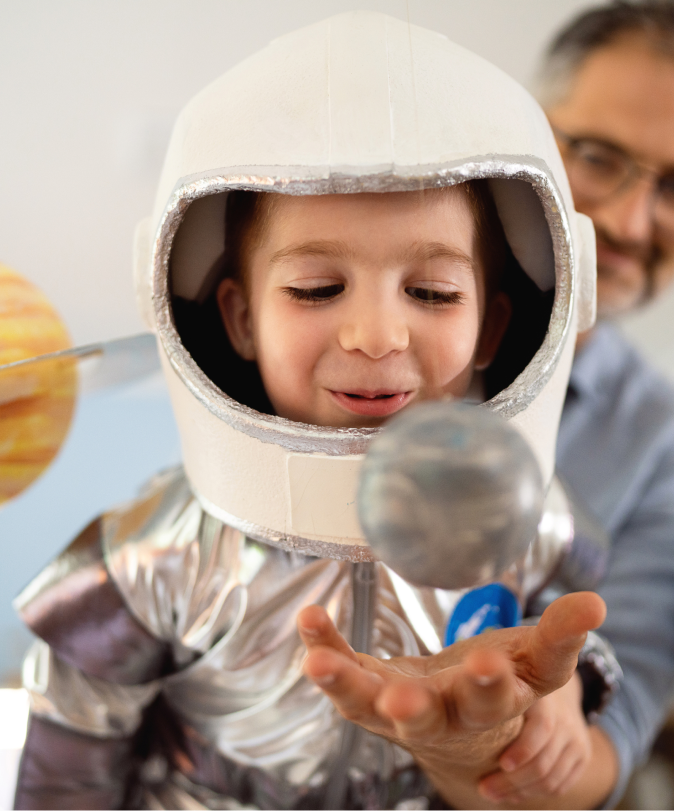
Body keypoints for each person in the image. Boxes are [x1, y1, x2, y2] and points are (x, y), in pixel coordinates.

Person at [12, 12, 606, 811]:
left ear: (492, 326)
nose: (375, 334)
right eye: (317, 289)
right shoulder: (159, 552)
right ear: (241, 318)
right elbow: (69, 753)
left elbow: (569, 618)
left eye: (431, 292)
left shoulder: (526, 516)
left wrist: (570, 692)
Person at [476, 1, 674, 808]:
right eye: (599, 156)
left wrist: (545, 749)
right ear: (525, 135)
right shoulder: (370, 329)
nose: (632, 222)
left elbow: (614, 739)